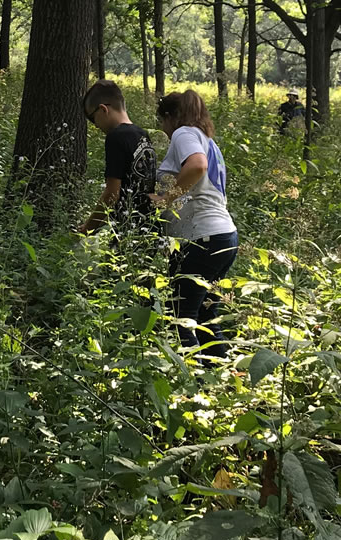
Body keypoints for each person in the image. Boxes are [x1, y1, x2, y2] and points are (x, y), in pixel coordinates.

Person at [151, 89, 238, 358]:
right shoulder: (208, 140)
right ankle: (220, 378)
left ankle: (193, 384)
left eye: (162, 122)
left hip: (202, 239)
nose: (164, 130)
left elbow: (197, 166)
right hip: (224, 236)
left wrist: (166, 199)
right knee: (206, 314)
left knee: (182, 315)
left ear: (170, 118)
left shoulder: (184, 133)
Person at [78, 80, 158, 237]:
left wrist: (88, 228)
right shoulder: (142, 135)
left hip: (127, 229)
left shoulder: (116, 137)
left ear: (103, 109)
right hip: (148, 228)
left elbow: (112, 194)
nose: (95, 126)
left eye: (93, 119)